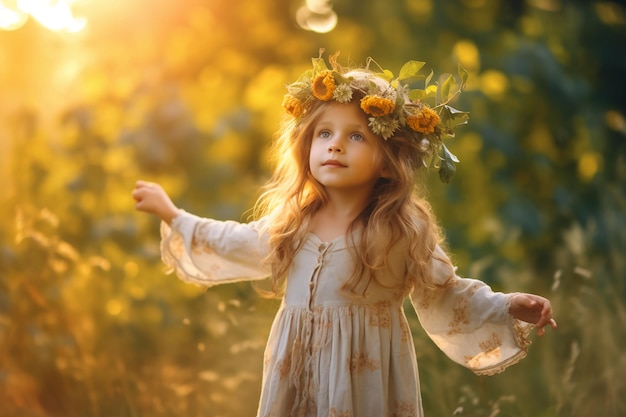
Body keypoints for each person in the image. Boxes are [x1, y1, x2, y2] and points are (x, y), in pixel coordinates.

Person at [132, 52, 557, 417]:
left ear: (389, 162)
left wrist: (506, 305)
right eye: (324, 134)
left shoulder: (401, 229)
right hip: (293, 376)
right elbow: (235, 241)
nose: (335, 145)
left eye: (356, 136)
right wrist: (175, 215)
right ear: (307, 148)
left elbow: (445, 293)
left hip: (364, 380)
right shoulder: (292, 223)